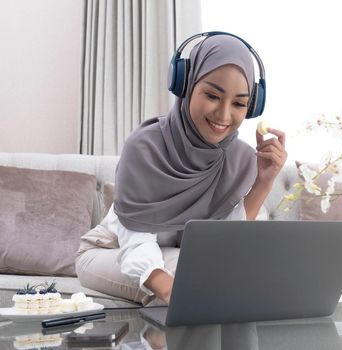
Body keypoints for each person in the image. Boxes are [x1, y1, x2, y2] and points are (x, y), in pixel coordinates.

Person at [75, 33, 287, 305]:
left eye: (238, 104)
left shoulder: (241, 158)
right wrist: (173, 290)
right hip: (111, 249)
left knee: (214, 275)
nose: (223, 115)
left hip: (178, 256)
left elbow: (223, 244)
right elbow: (138, 245)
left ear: (252, 106)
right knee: (185, 280)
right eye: (212, 95)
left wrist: (264, 182)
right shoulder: (146, 147)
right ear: (185, 84)